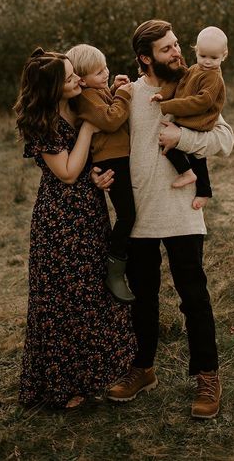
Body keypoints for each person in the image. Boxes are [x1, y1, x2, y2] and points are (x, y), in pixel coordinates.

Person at [105, 20, 234, 419]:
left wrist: (183, 140)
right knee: (142, 298)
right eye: (167, 49)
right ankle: (143, 369)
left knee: (193, 297)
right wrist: (98, 172)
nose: (177, 53)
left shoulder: (197, 84)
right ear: (145, 58)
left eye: (177, 45)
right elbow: (104, 139)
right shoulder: (128, 95)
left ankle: (208, 376)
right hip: (142, 215)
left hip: (182, 211)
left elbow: (225, 139)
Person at [14, 47, 136, 409]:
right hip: (60, 221)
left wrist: (96, 172)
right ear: (53, 88)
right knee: (63, 302)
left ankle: (91, 374)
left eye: (75, 74)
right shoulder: (43, 123)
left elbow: (85, 162)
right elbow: (66, 172)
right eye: (69, 79)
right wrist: (88, 129)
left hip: (89, 210)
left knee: (89, 295)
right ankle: (60, 386)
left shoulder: (77, 102)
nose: (78, 81)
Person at [66, 43, 135, 304]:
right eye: (99, 73)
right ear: (82, 80)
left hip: (118, 157)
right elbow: (111, 119)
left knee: (130, 212)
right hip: (111, 161)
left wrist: (114, 89)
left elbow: (106, 103)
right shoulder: (84, 97)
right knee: (127, 214)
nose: (105, 73)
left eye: (105, 67)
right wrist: (124, 96)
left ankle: (120, 263)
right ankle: (114, 268)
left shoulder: (94, 91)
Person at [151, 25, 228, 210]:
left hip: (199, 120)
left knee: (191, 153)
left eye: (214, 58)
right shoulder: (195, 68)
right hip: (190, 119)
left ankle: (192, 178)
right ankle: (202, 188)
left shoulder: (213, 78)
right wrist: (163, 94)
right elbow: (181, 81)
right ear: (196, 51)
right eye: (203, 56)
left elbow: (201, 102)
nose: (207, 62)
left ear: (224, 55)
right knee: (191, 155)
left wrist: (168, 106)